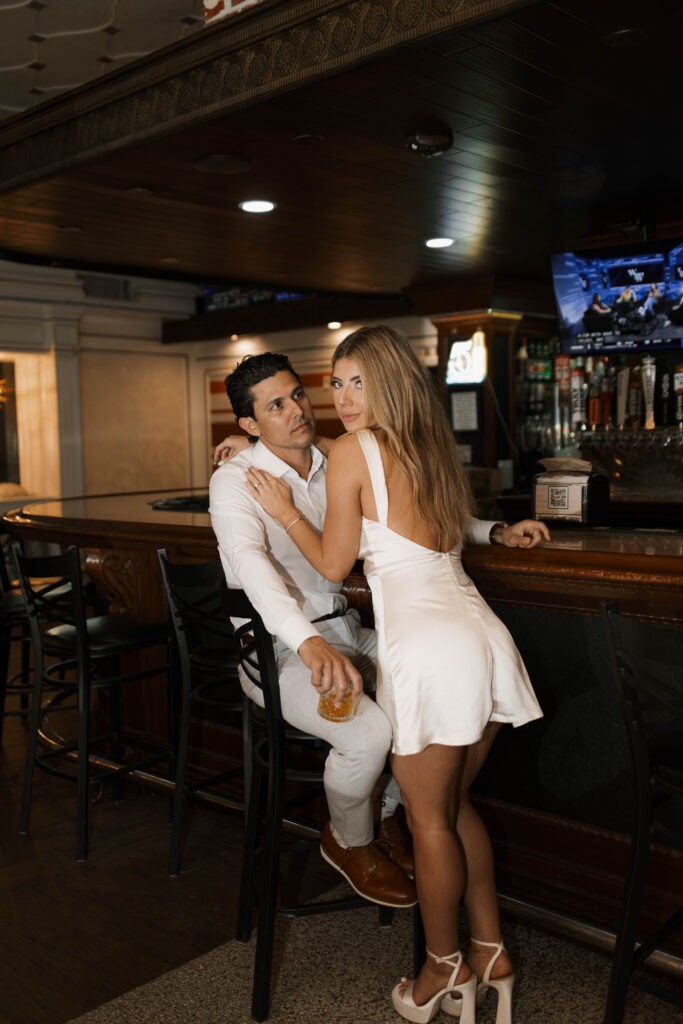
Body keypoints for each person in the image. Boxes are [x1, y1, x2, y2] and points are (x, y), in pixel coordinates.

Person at [244, 326, 548, 1024]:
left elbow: (332, 563)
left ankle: (441, 969)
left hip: (429, 652)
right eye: (336, 383)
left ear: (390, 383)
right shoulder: (429, 446)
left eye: (359, 382)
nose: (343, 397)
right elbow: (441, 528)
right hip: (480, 638)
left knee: (426, 820)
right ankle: (491, 952)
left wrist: (284, 511)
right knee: (454, 806)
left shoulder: (354, 452)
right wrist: (249, 442)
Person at [209, 352, 416, 911]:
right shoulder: (233, 481)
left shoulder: (336, 461)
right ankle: (349, 840)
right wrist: (308, 641)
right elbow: (250, 566)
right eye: (276, 405)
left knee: (431, 695)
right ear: (249, 424)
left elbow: (409, 519)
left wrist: (491, 529)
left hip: (347, 628)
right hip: (277, 651)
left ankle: (383, 816)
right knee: (367, 733)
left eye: (297, 394)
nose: (297, 410)